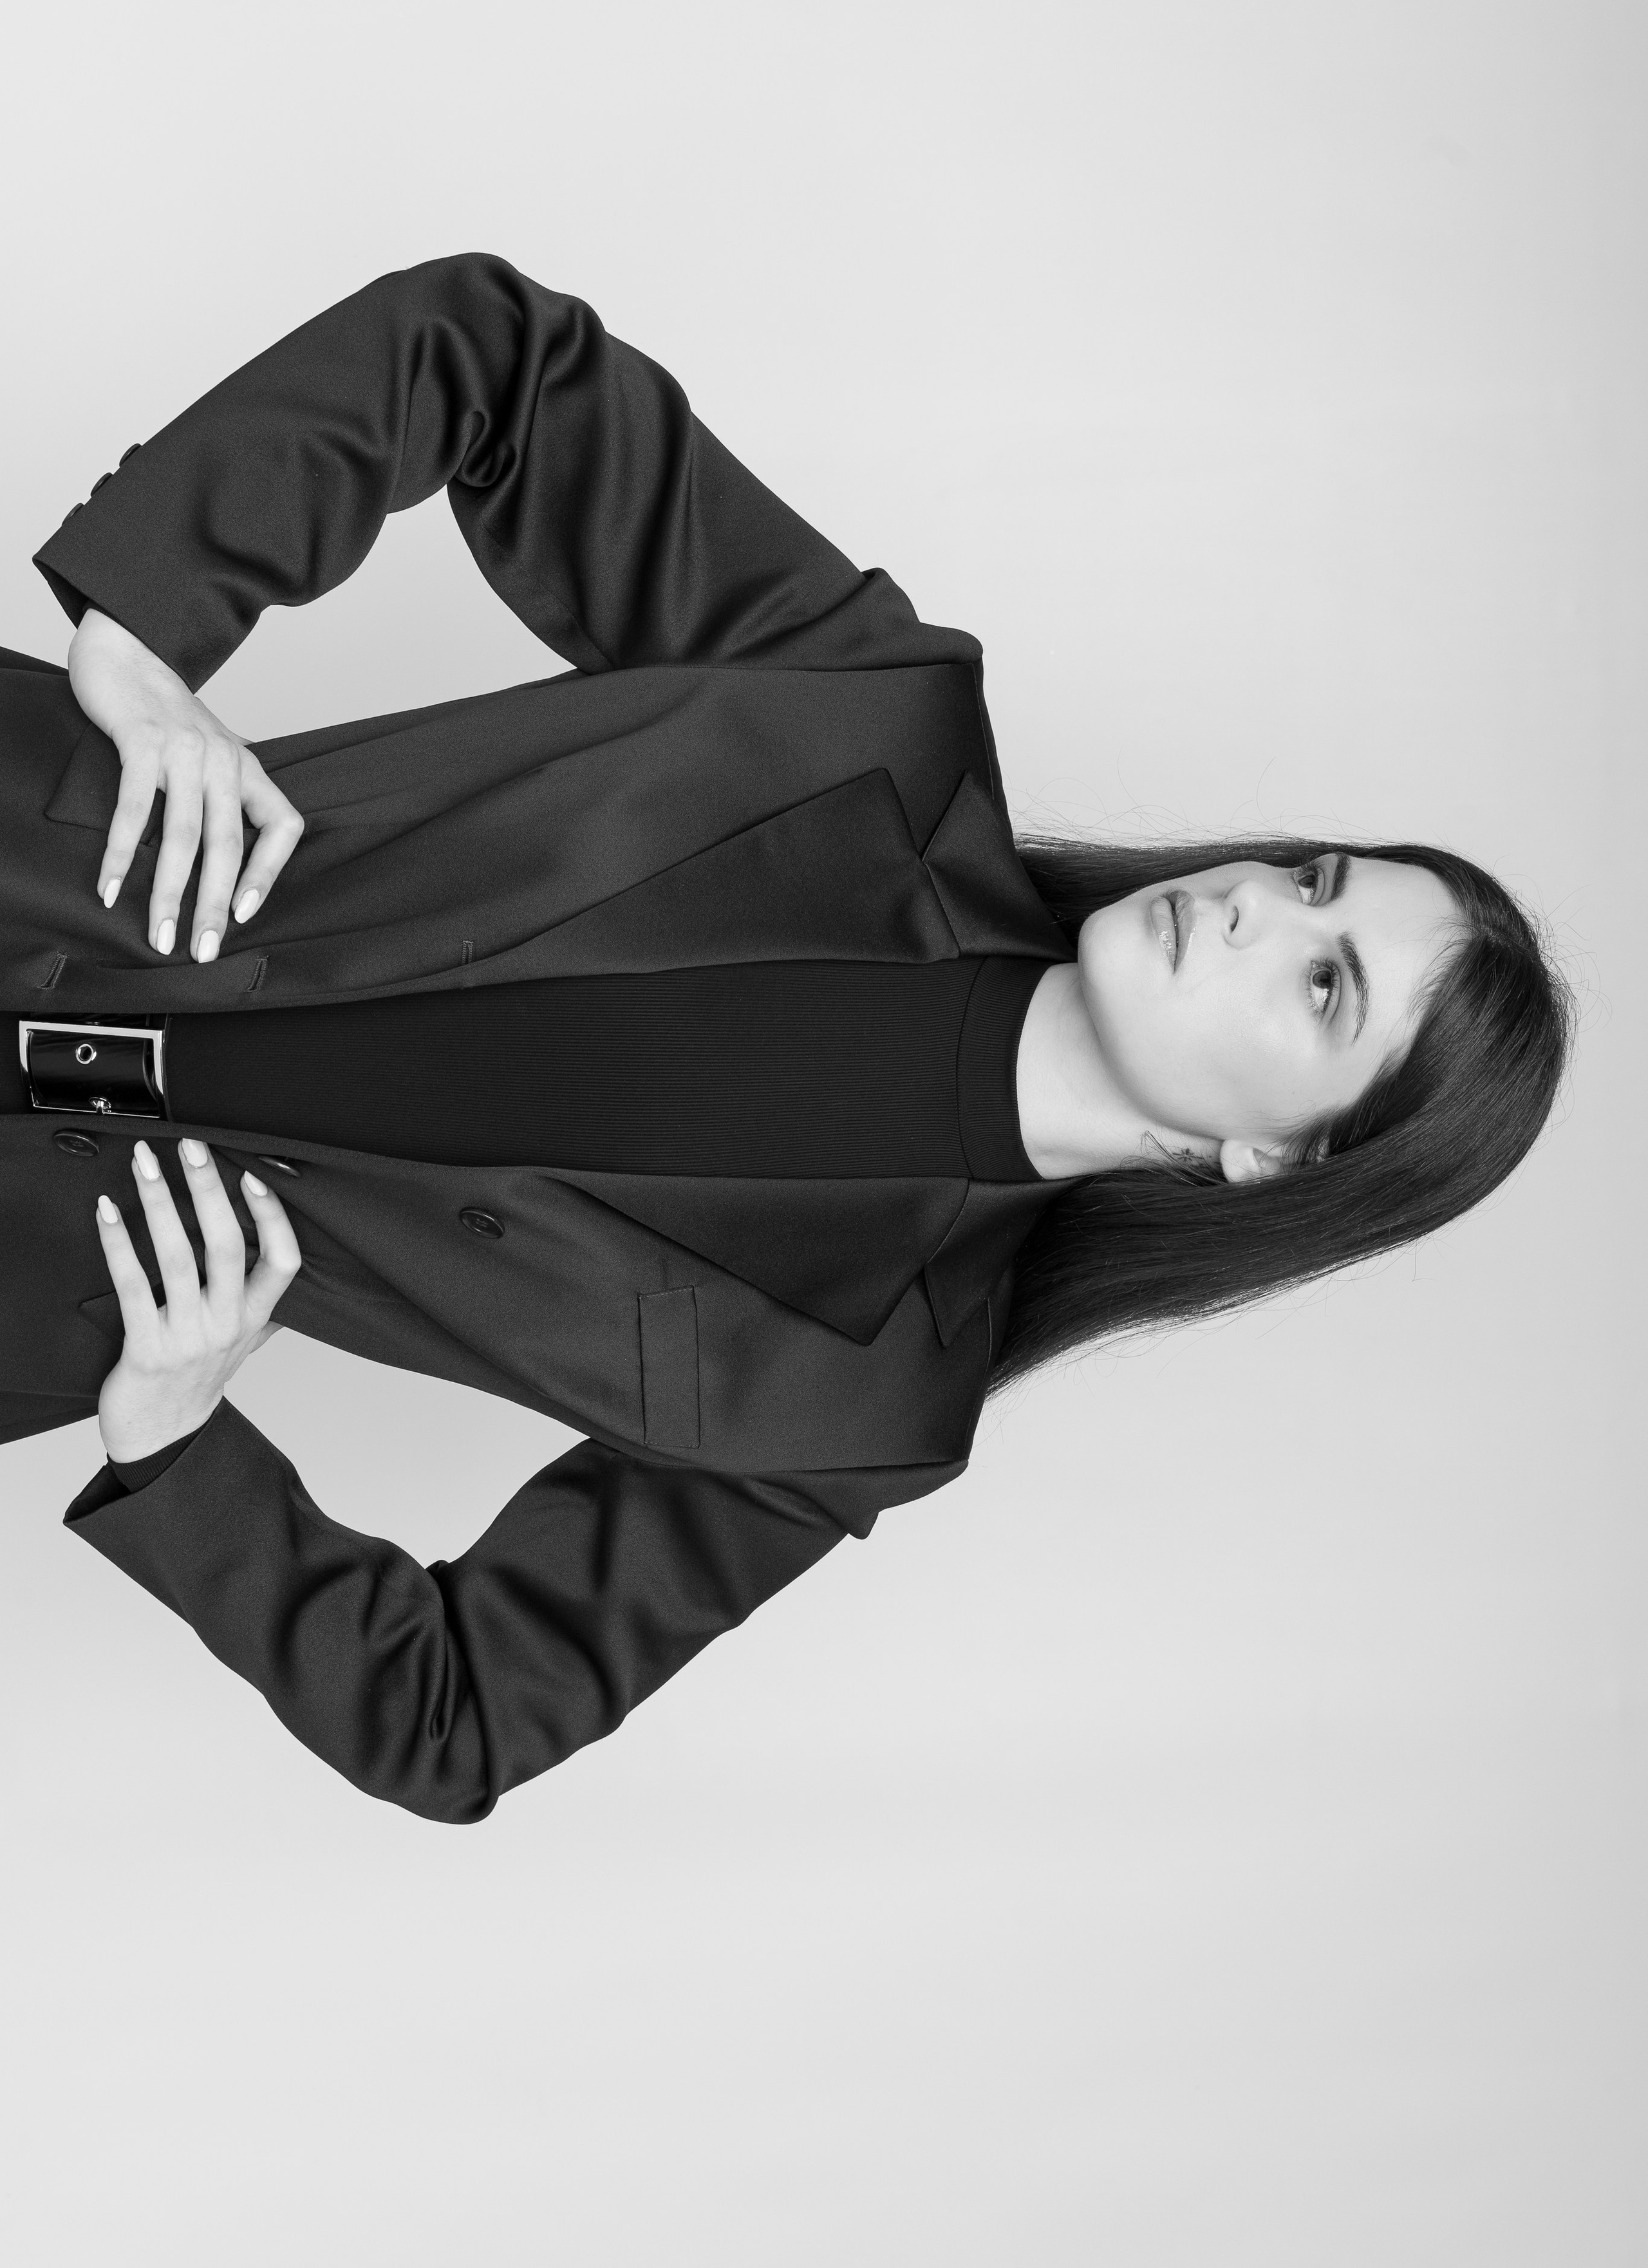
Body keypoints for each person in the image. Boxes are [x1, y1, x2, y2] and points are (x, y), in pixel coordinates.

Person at [0, 255, 1572, 1823]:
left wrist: (180, 1450)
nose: (1249, 912)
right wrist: (151, 631)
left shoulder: (861, 1411)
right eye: (1311, 887)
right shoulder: (872, 714)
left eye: (1321, 989)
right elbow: (487, 355)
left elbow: (459, 1716)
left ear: (1269, 1162)